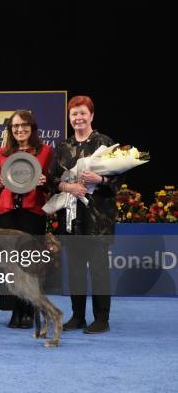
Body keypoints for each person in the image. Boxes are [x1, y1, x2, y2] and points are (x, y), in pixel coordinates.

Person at [48, 95, 122, 334]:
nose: (78, 118)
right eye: (74, 114)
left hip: (97, 219)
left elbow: (120, 177)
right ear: (69, 118)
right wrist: (69, 187)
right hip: (71, 219)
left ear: (91, 115)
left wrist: (99, 179)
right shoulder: (62, 147)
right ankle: (77, 316)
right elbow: (52, 180)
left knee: (99, 270)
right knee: (76, 270)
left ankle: (102, 319)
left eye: (82, 113)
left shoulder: (104, 142)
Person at [0, 110, 53, 329]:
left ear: (32, 128)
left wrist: (46, 181)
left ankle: (29, 310)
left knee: (29, 264)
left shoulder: (45, 151)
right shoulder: (2, 153)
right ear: (10, 130)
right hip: (8, 214)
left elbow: (51, 182)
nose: (20, 129)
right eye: (15, 126)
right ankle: (15, 310)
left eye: (24, 125)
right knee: (10, 265)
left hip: (32, 213)